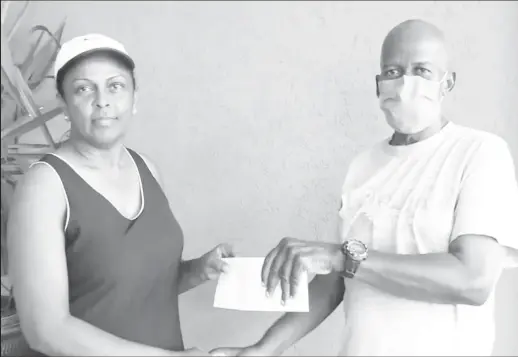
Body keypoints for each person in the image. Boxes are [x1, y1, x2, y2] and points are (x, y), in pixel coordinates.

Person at [210, 19, 518, 357]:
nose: (405, 83)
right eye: (392, 71)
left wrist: (339, 257)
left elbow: (472, 280)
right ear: (378, 85)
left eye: (423, 70)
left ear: (448, 83)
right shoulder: (363, 165)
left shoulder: (480, 153)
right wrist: (263, 349)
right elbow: (336, 280)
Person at [7, 33, 233, 356]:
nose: (102, 101)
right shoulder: (44, 187)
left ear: (134, 97)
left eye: (115, 86)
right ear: (63, 104)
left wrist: (197, 271)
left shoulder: (147, 170)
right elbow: (46, 330)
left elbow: (132, 286)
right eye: (84, 88)